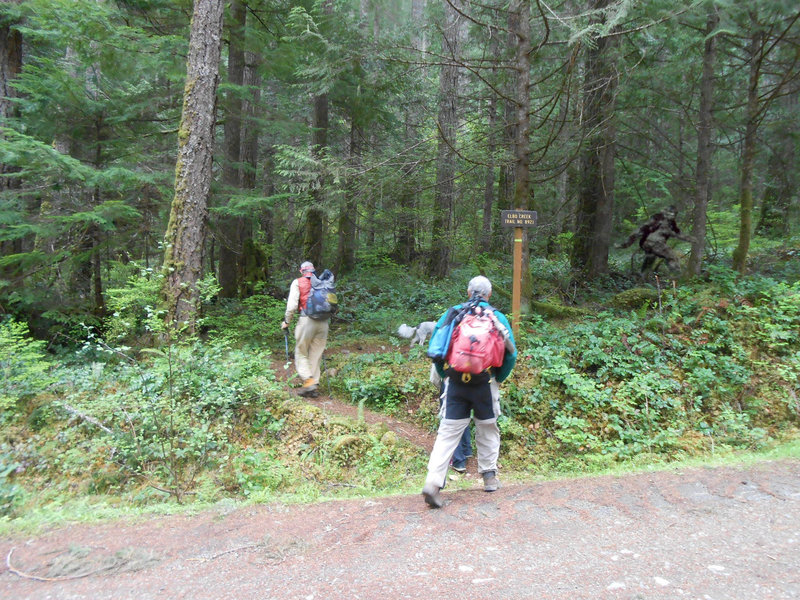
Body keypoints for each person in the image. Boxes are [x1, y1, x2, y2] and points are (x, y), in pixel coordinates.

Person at [422, 276, 517, 508]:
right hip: (484, 382)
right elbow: (511, 354)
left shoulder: (453, 313)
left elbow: (436, 347)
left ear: (468, 292)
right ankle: (489, 477)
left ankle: (433, 483)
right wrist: (497, 378)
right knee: (487, 428)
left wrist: (444, 374)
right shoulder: (498, 317)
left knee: (448, 432)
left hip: (456, 383)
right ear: (489, 294)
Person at [281, 261, 329, 397]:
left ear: (302, 271)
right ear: (313, 270)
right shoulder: (322, 283)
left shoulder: (298, 282)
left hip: (307, 320)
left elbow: (291, 306)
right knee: (316, 354)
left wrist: (286, 322)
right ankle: (313, 385)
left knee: (301, 352)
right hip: (324, 322)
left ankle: (308, 381)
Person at [618, 205, 695, 276]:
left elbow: (678, 233)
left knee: (650, 258)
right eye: (670, 213)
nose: (672, 216)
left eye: (673, 214)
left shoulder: (672, 222)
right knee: (672, 257)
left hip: (650, 244)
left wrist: (690, 239)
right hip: (651, 242)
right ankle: (676, 278)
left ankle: (642, 278)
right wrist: (625, 244)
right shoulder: (657, 218)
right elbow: (640, 230)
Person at [430, 364, 472, 473]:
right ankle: (466, 450)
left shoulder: (445, 347)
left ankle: (458, 461)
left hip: (450, 383)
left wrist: (443, 384)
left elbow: (434, 376)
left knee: (451, 422)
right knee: (464, 416)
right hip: (468, 383)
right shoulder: (469, 346)